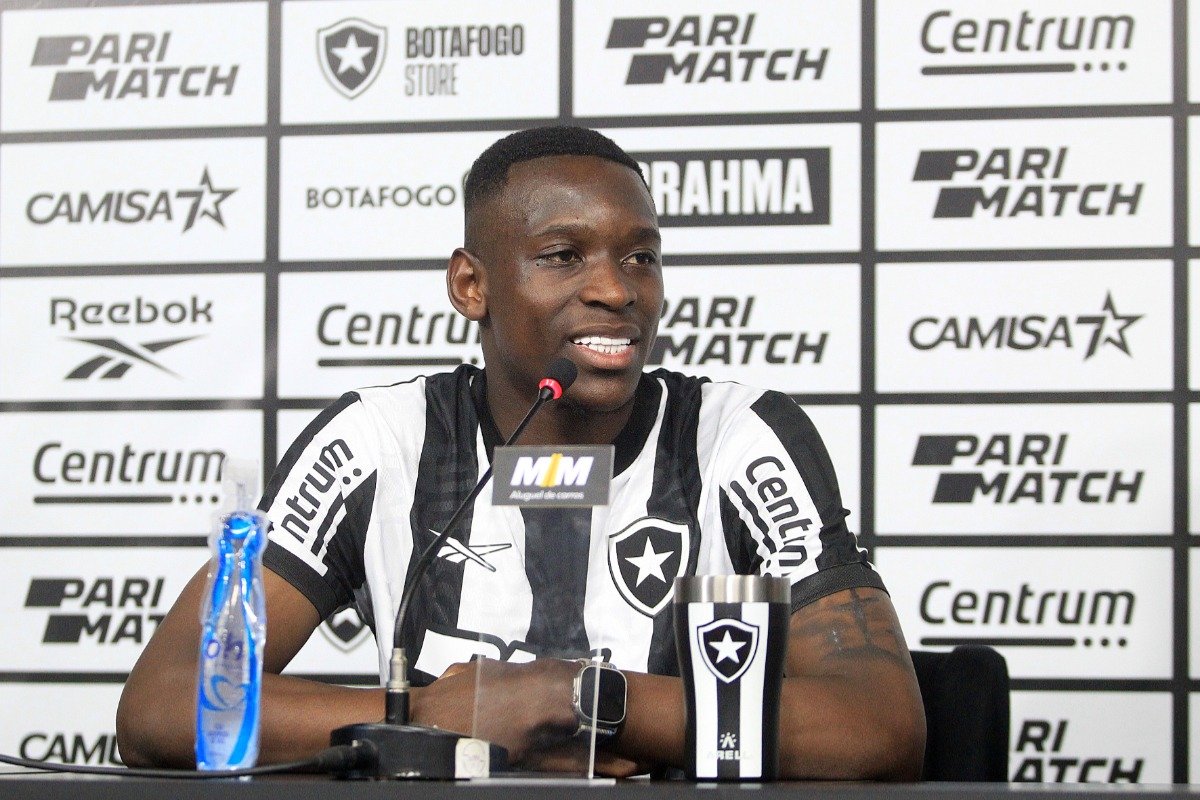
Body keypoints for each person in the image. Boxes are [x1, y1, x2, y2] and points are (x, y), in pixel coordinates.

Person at [116, 126, 925, 779]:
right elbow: (164, 703)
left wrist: (575, 698)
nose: (618, 289)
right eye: (563, 256)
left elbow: (880, 722)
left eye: (641, 255)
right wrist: (434, 721)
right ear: (472, 286)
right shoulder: (380, 439)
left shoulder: (738, 436)